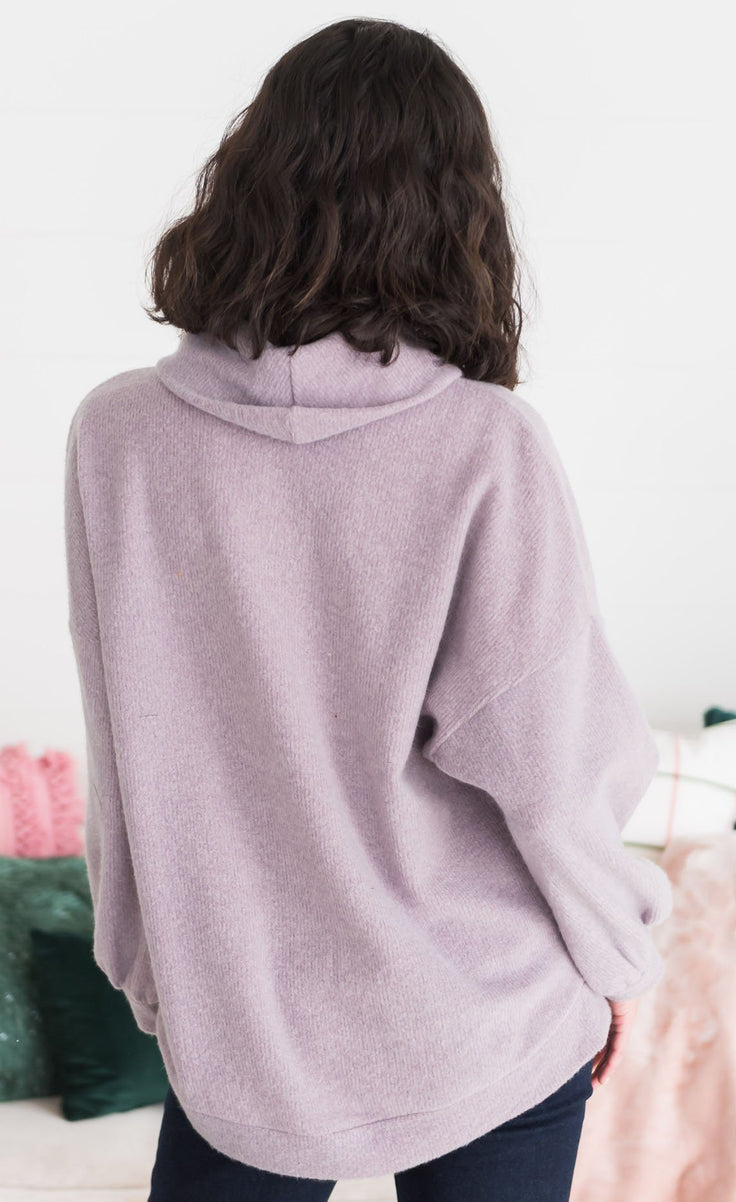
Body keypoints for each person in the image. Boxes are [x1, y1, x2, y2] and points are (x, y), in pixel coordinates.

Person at [63, 17, 673, 1201]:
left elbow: (122, 746)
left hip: (242, 1020)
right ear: (455, 212)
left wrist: (152, 977)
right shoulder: (485, 442)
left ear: (249, 178)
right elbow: (550, 760)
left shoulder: (118, 437)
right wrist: (613, 954)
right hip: (484, 1010)